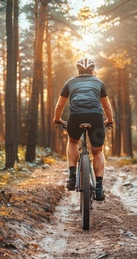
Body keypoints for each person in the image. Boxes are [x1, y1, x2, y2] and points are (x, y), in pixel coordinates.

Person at [53, 58, 114, 201]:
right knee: (97, 151)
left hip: (76, 117)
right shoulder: (99, 82)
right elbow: (106, 106)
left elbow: (60, 106)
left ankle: (72, 177)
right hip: (96, 117)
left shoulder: (70, 82)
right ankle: (99, 187)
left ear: (78, 71)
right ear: (92, 71)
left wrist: (57, 119)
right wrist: (110, 120)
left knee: (73, 142)